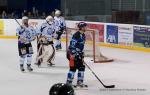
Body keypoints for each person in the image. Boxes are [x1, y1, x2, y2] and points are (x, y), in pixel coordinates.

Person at [66, 22, 87, 87]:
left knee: (81, 67)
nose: (86, 28)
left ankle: (80, 81)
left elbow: (81, 46)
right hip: (72, 54)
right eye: (85, 26)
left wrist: (81, 54)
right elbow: (72, 46)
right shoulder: (76, 35)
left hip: (79, 54)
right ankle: (68, 82)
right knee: (73, 68)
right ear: (81, 27)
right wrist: (75, 54)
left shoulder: (83, 35)